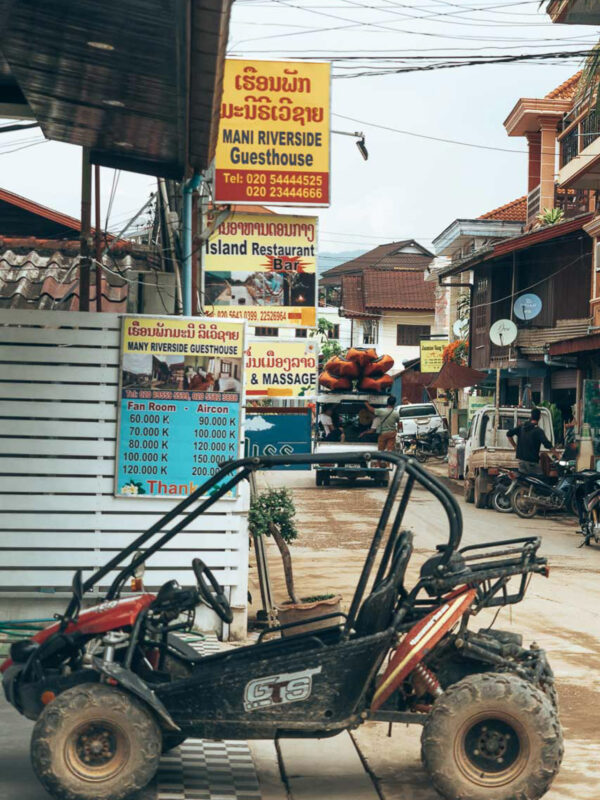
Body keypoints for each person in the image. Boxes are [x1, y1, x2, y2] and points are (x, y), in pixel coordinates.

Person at [507, 407, 555, 475]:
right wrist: (557, 455)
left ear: (531, 416)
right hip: (532, 463)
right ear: (539, 417)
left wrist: (515, 446)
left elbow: (508, 434)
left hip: (521, 462)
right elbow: (547, 444)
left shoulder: (522, 427)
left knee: (525, 481)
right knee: (542, 479)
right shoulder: (538, 431)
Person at [365, 395, 399, 467]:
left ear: (387, 403)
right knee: (389, 449)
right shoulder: (396, 413)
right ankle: (388, 464)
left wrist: (366, 404)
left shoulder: (381, 411)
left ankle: (378, 463)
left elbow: (372, 410)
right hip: (392, 433)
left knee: (381, 450)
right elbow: (398, 423)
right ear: (394, 404)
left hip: (383, 433)